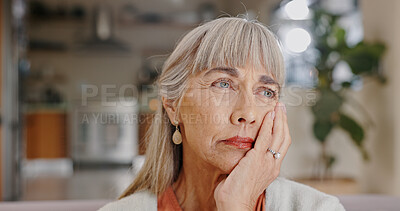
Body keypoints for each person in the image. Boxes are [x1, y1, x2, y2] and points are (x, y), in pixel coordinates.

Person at [99, 17, 345, 211]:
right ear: (173, 106)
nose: (247, 113)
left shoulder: (317, 208)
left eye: (266, 92)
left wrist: (237, 205)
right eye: (224, 84)